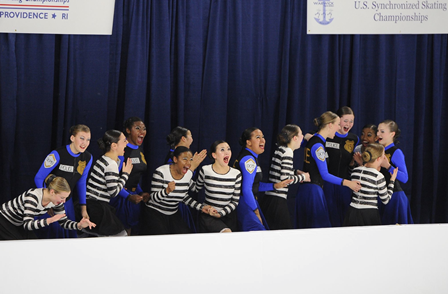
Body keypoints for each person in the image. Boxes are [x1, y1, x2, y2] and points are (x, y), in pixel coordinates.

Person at [295, 111, 361, 229]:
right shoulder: (318, 145)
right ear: (330, 125)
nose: (339, 127)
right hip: (313, 190)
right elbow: (324, 175)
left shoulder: (315, 141)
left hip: (309, 189)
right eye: (337, 125)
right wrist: (348, 183)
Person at [34, 124, 93, 238]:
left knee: (68, 237)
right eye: (81, 138)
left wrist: (83, 209)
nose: (84, 143)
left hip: (67, 202)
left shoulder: (88, 158)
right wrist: (47, 202)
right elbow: (39, 178)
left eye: (88, 140)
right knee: (52, 237)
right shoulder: (57, 154)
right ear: (72, 138)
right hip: (49, 201)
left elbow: (81, 182)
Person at [140, 146, 211, 235]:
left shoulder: (188, 174)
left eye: (191, 160)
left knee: (184, 237)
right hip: (155, 213)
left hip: (173, 213)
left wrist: (201, 207)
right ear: (175, 159)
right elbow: (154, 198)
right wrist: (166, 191)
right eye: (185, 159)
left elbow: (184, 197)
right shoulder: (161, 172)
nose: (188, 163)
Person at [233, 127, 293, 232]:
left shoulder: (250, 157)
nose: (262, 140)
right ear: (249, 142)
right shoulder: (249, 160)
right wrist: (256, 211)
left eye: (263, 137)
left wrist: (275, 186)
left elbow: (254, 185)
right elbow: (246, 190)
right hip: (245, 203)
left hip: (248, 201)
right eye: (257, 137)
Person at [0, 175, 95, 240]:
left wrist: (79, 225)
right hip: (4, 221)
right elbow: (27, 225)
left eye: (65, 198)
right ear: (52, 192)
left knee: (34, 246)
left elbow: (63, 222)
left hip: (18, 223)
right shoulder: (33, 196)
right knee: (18, 246)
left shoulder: (56, 201)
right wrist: (50, 220)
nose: (64, 201)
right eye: (62, 197)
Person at [81, 130, 133, 236]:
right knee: (120, 235)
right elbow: (113, 192)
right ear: (114, 145)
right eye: (124, 141)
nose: (127, 143)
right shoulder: (111, 164)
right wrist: (126, 174)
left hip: (93, 205)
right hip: (97, 208)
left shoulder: (104, 159)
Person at [261, 124, 310, 230]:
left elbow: (280, 170)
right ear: (295, 138)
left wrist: (296, 172)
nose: (303, 137)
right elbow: (285, 179)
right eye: (301, 134)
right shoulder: (288, 152)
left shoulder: (281, 149)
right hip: (277, 200)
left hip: (270, 198)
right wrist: (303, 177)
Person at [191, 140, 242, 233]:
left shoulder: (236, 174)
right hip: (209, 215)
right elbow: (195, 188)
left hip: (228, 216)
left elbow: (235, 201)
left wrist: (220, 214)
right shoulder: (206, 170)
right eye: (222, 150)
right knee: (226, 234)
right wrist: (190, 170)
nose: (227, 152)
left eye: (228, 149)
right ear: (214, 155)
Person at [109, 117, 149, 236]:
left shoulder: (140, 151)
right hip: (120, 198)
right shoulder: (121, 151)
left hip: (133, 197)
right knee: (119, 233)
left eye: (144, 128)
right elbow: (112, 181)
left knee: (130, 232)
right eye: (137, 128)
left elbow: (135, 176)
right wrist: (127, 196)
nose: (142, 131)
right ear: (127, 130)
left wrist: (141, 193)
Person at [344, 143, 398, 226]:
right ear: (378, 159)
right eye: (383, 155)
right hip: (369, 214)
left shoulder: (355, 171)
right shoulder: (378, 176)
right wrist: (392, 180)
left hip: (352, 212)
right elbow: (385, 200)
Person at [165, 126, 207, 232]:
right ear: (184, 138)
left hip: (182, 202)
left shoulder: (184, 156)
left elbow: (190, 183)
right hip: (174, 205)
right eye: (190, 136)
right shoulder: (172, 157)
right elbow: (176, 182)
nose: (192, 139)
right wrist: (192, 167)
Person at [323, 106, 359, 227]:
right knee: (327, 215)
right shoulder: (328, 135)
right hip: (327, 182)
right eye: (346, 121)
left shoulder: (354, 139)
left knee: (344, 218)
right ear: (338, 121)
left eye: (351, 121)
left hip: (345, 185)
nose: (349, 124)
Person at [377, 120, 414, 224]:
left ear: (392, 134)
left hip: (394, 197)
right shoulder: (377, 150)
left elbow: (404, 178)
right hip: (381, 196)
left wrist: (388, 166)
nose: (378, 134)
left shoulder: (396, 152)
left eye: (382, 131)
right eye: (378, 131)